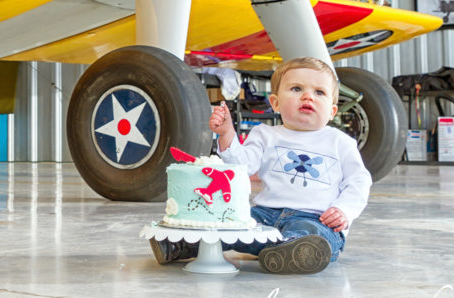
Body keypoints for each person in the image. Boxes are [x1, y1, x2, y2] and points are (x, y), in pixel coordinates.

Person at [151, 57, 372, 274]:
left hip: (315, 217)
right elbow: (242, 166)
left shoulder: (340, 142)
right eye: (296, 89)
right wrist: (228, 133)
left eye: (319, 92)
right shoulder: (265, 135)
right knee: (230, 223)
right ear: (275, 103)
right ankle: (184, 245)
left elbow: (359, 181)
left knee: (310, 233)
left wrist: (344, 210)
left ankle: (296, 250)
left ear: (332, 111)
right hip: (265, 214)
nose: (308, 96)